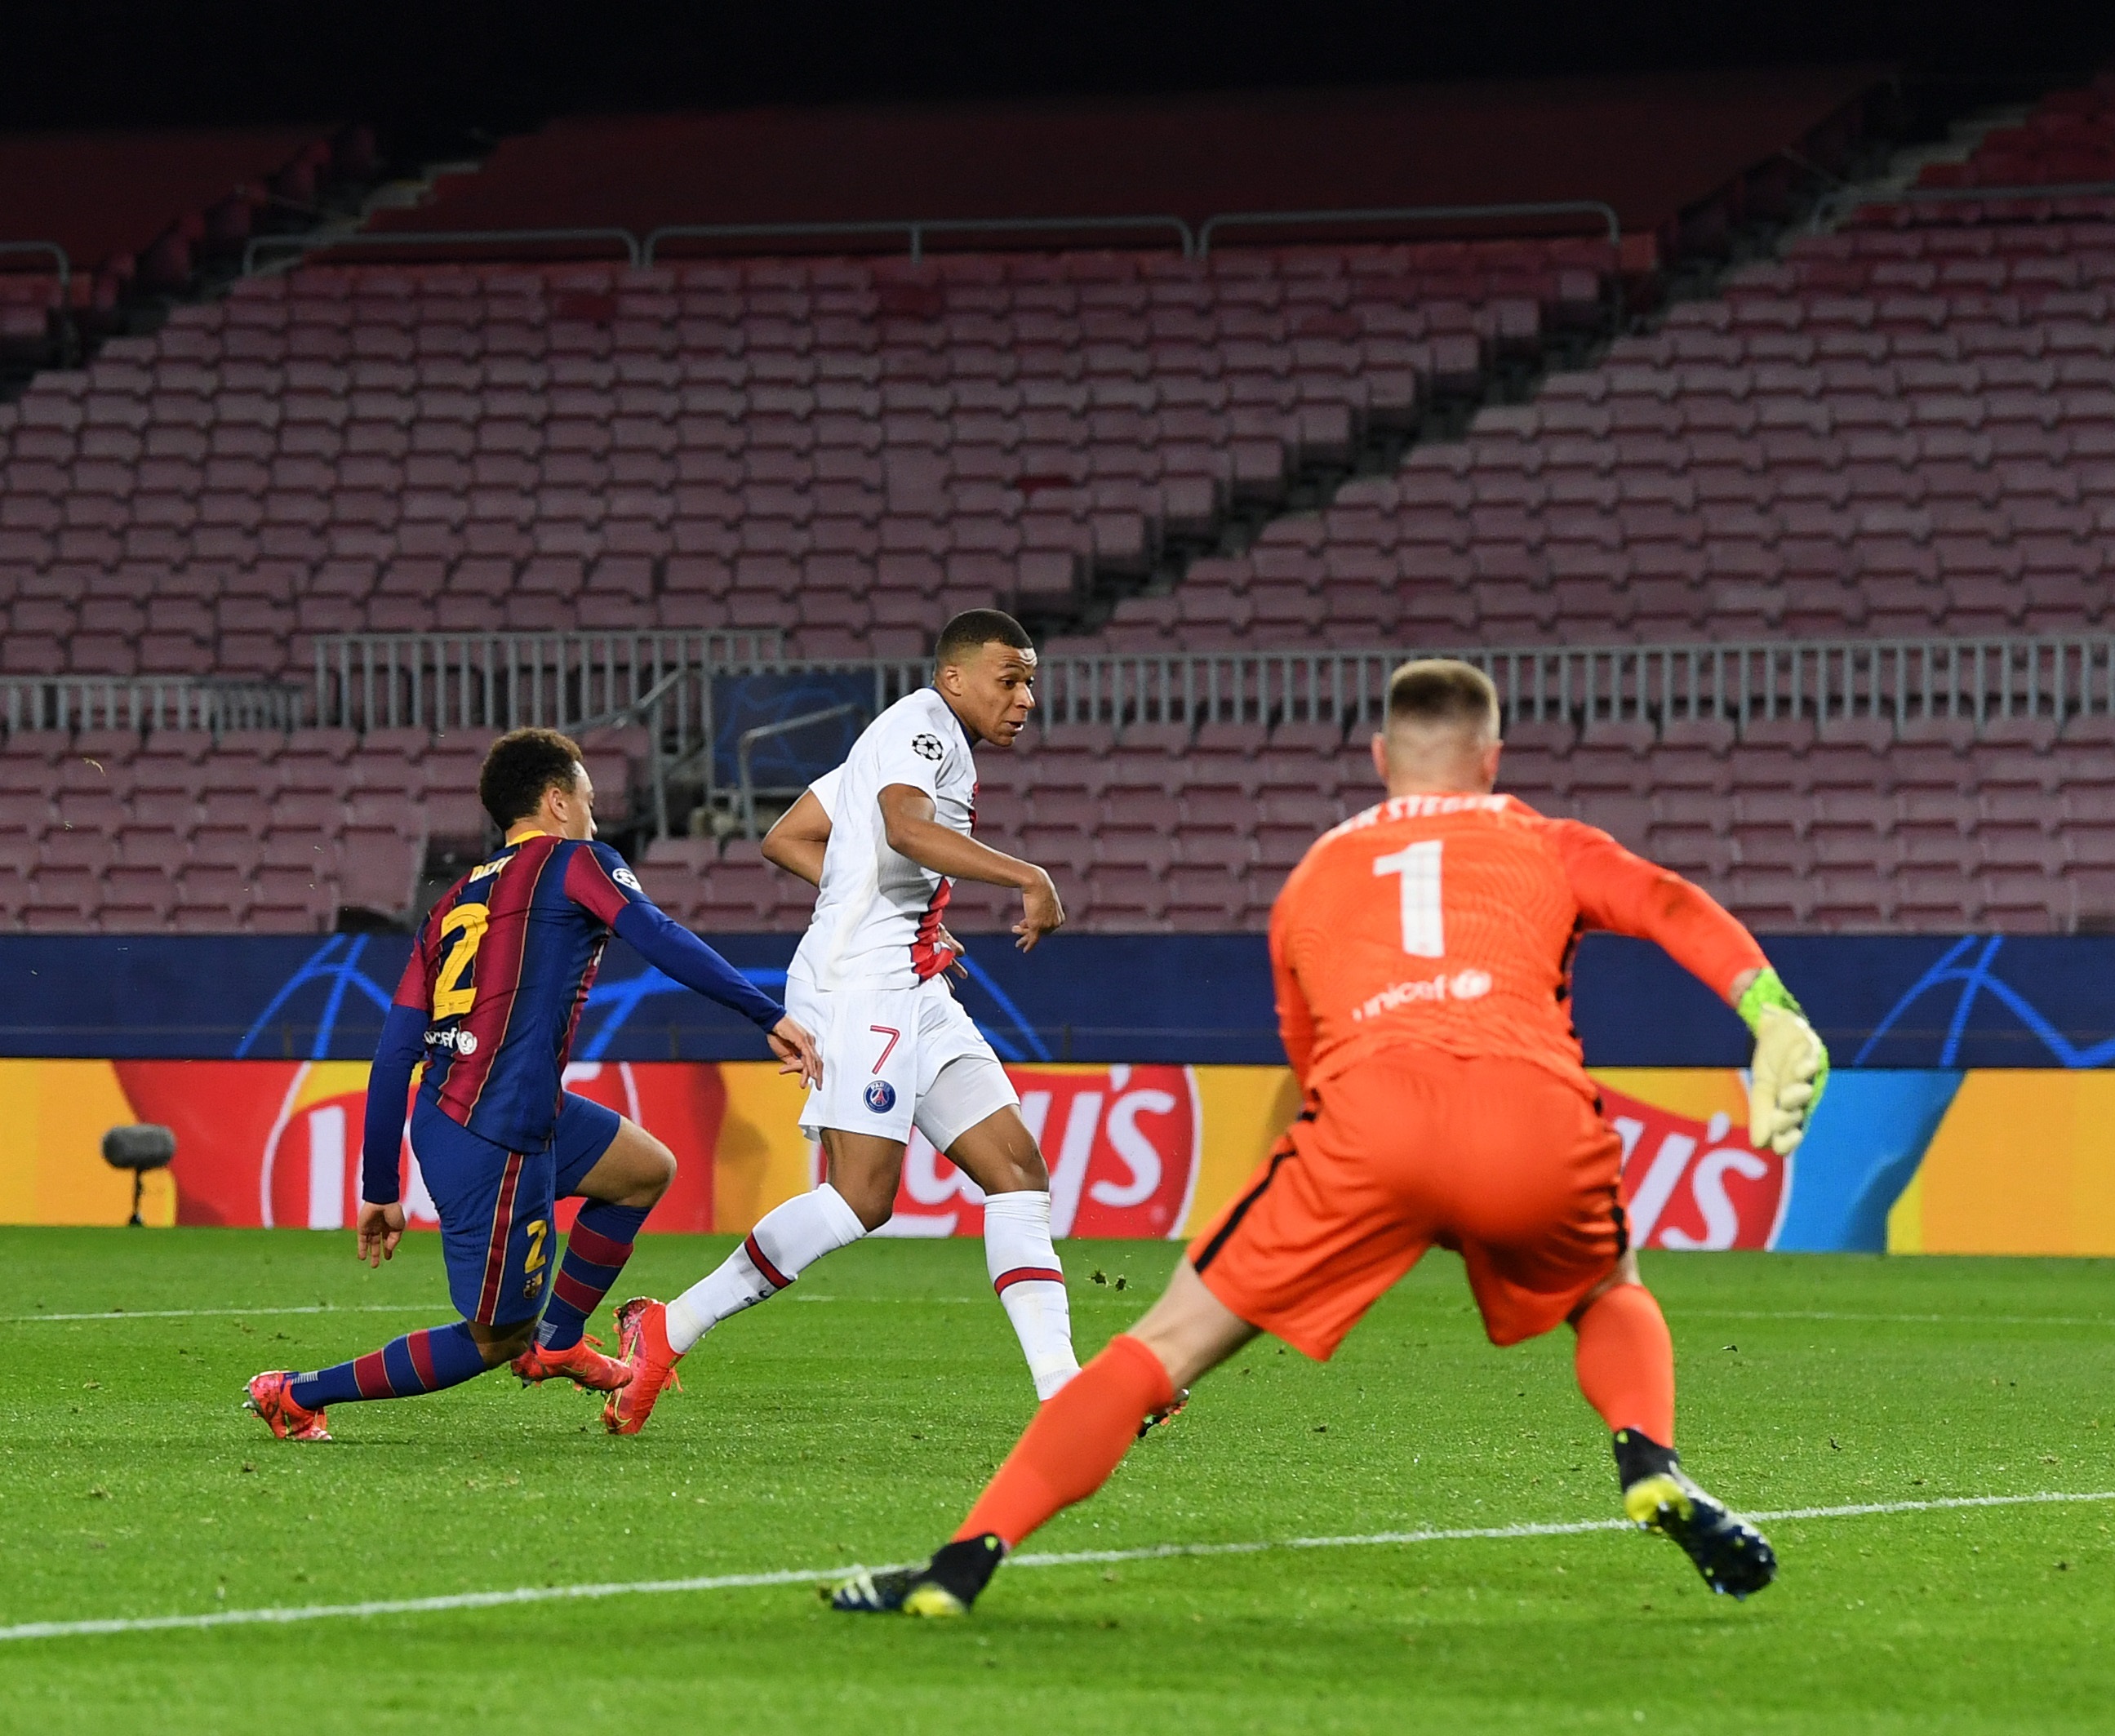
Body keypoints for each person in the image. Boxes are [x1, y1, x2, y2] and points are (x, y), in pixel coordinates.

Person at [829, 658, 1830, 1617]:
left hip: (1369, 1127)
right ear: (1490, 759)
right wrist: (1770, 1009)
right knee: (1610, 1286)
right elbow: (1669, 903)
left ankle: (960, 1563)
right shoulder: (1545, 839)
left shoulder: (1315, 876)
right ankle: (1648, 1464)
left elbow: (1311, 1066)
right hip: (1530, 1115)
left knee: (1161, 1345)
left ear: (1378, 756)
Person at [244, 729, 823, 1441]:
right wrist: (766, 1012)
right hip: (493, 1131)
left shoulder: (452, 902)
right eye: (587, 801)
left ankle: (560, 1338)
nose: (594, 817)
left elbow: (395, 1052)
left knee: (644, 1171)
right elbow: (659, 936)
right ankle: (297, 1394)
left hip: (489, 1109)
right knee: (494, 1340)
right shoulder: (575, 861)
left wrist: (379, 1184)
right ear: (556, 801)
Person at [603, 610, 1080, 1432]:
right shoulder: (924, 729)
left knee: (1017, 1176)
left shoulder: (898, 736)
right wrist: (1026, 876)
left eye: (1030, 680)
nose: (1025, 697)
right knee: (861, 1199)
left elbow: (790, 837)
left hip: (909, 979)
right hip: (860, 987)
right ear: (956, 676)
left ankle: (1065, 1393)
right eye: (1011, 678)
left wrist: (892, 903)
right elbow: (906, 827)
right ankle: (667, 1327)